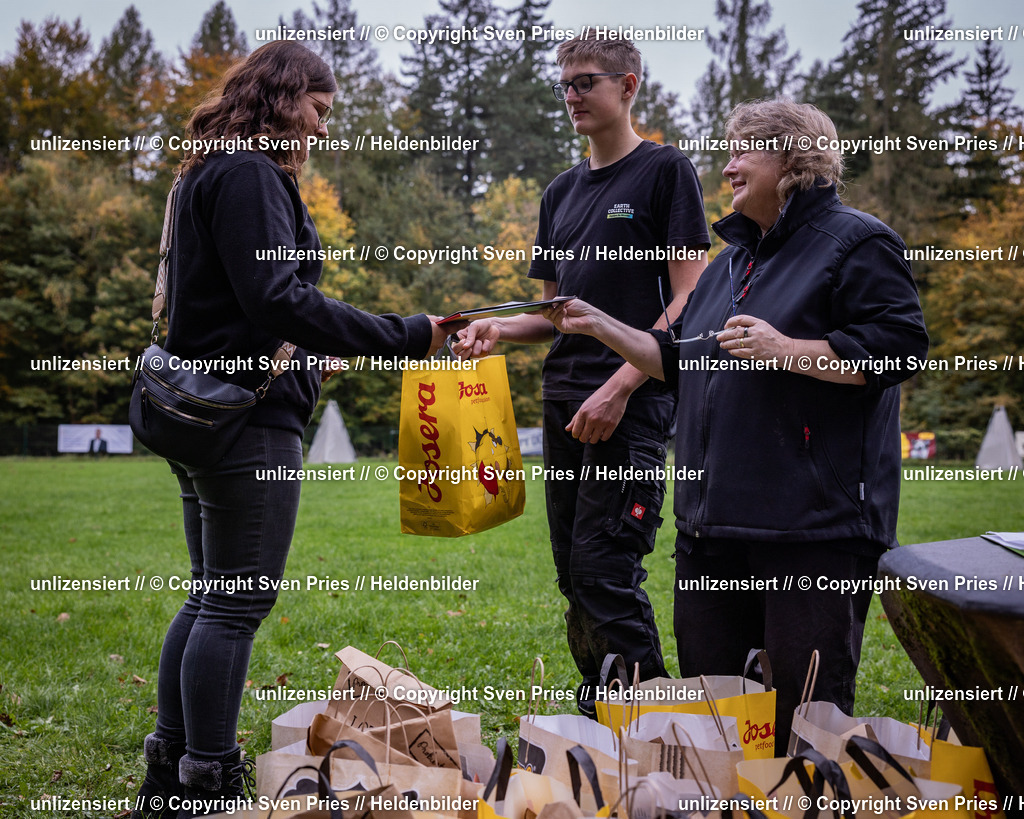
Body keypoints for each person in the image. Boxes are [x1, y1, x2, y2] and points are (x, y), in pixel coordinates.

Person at [545, 99, 929, 749]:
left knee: (802, 725)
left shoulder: (858, 242)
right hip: (711, 532)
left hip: (812, 531)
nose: (728, 168)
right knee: (720, 728)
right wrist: (600, 324)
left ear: (795, 157)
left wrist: (789, 349)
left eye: (743, 151)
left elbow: (900, 349)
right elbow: (676, 360)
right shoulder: (729, 263)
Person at [132, 42, 451, 819]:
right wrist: (405, 334)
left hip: (209, 411)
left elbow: (238, 307)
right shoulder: (250, 174)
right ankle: (208, 781)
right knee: (234, 602)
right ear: (283, 96)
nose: (323, 127)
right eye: (320, 108)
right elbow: (276, 297)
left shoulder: (209, 169)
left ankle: (169, 777)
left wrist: (308, 354)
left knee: (211, 595)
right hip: (246, 421)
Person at [454, 31, 709, 717]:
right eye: (564, 84)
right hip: (563, 402)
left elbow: (691, 297)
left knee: (605, 571)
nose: (571, 95)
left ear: (627, 86)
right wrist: (497, 330)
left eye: (585, 82)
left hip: (630, 402)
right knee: (575, 574)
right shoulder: (560, 192)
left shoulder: (665, 171)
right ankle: (603, 716)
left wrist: (621, 385)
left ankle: (657, 725)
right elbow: (553, 313)